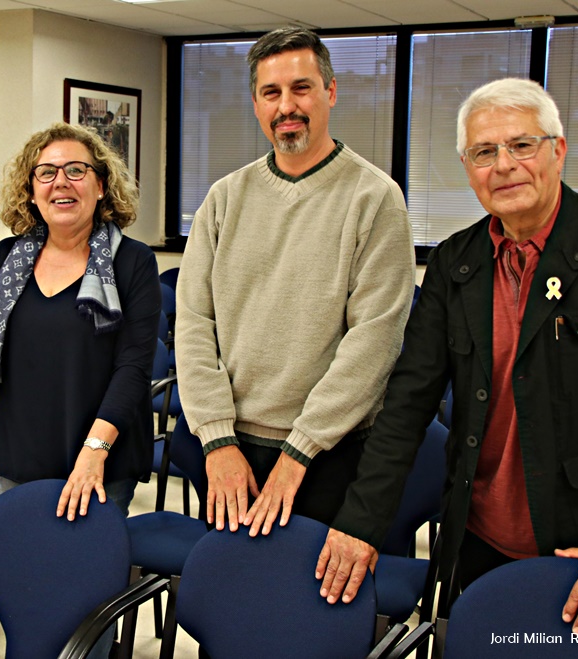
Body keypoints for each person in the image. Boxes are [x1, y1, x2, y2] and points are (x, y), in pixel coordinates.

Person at [317, 77, 578, 638]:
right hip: (478, 535)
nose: (504, 165)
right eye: (484, 152)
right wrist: (360, 524)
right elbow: (406, 402)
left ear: (558, 151)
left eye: (522, 145)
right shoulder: (455, 262)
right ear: (467, 167)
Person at [175, 26, 415, 538]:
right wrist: (217, 440)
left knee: (306, 611)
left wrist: (300, 449)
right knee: (226, 601)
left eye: (301, 88)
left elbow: (374, 340)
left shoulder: (375, 198)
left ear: (330, 91)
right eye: (271, 93)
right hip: (229, 452)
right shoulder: (223, 198)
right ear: (257, 104)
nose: (287, 105)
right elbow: (194, 322)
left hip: (328, 453)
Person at [0, 122, 159, 521]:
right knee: (16, 575)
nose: (61, 183)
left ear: (101, 185)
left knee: (84, 581)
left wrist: (94, 453)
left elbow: (133, 369)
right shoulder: (6, 259)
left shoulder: (133, 262)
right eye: (46, 173)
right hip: (20, 457)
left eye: (76, 170)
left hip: (101, 461)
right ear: (32, 192)